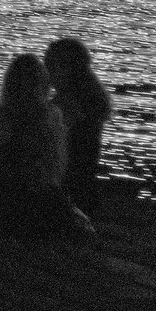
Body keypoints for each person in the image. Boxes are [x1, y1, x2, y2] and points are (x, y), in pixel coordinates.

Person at [0, 54, 92, 244]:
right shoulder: (51, 116)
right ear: (42, 84)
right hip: (44, 199)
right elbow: (56, 166)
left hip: (6, 200)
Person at [44, 38, 113, 216]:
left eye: (50, 66)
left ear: (67, 69)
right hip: (85, 188)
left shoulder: (66, 106)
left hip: (69, 190)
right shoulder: (92, 100)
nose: (46, 73)